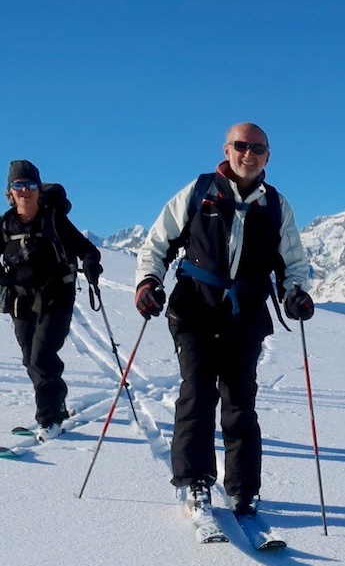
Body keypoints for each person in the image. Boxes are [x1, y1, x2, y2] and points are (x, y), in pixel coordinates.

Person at [133, 122, 314, 518]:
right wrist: (148, 282)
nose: (249, 154)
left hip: (244, 313)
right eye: (241, 146)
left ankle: (244, 490)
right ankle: (195, 481)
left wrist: (295, 292)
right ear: (227, 149)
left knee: (239, 400)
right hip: (194, 307)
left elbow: (294, 263)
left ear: (268, 156)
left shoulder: (276, 205)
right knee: (197, 391)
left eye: (258, 148)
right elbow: (158, 243)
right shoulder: (199, 191)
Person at [0, 160, 102, 440]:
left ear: (39, 189)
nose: (25, 190)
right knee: (31, 359)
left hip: (56, 297)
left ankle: (49, 419)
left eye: (30, 185)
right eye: (19, 185)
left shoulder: (54, 219)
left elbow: (87, 249)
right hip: (20, 301)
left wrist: (91, 264)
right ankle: (56, 404)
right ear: (10, 191)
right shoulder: (5, 223)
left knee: (42, 357)